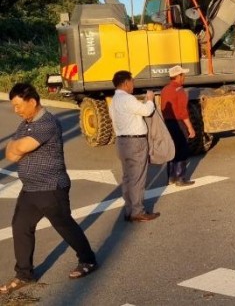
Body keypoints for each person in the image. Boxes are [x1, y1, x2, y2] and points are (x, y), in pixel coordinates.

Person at [1, 83, 98, 295]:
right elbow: (10, 153)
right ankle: (24, 274)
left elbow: (21, 148)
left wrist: (16, 147)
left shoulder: (48, 123)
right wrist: (15, 147)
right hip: (30, 189)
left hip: (51, 187)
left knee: (65, 226)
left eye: (18, 105)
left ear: (32, 102)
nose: (15, 110)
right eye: (13, 106)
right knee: (20, 227)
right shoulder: (24, 124)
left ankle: (88, 259)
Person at [109, 70, 160, 222]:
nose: (133, 85)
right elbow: (147, 111)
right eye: (132, 82)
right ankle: (138, 211)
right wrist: (150, 99)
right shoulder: (128, 99)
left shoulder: (114, 101)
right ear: (125, 83)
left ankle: (129, 209)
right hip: (135, 142)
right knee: (137, 177)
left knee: (127, 178)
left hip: (121, 142)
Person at [161, 65, 196, 186]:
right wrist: (190, 128)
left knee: (172, 149)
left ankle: (171, 177)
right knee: (183, 150)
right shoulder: (180, 91)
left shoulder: (165, 89)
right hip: (178, 123)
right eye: (183, 75)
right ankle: (180, 178)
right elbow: (183, 112)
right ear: (178, 76)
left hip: (168, 123)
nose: (184, 77)